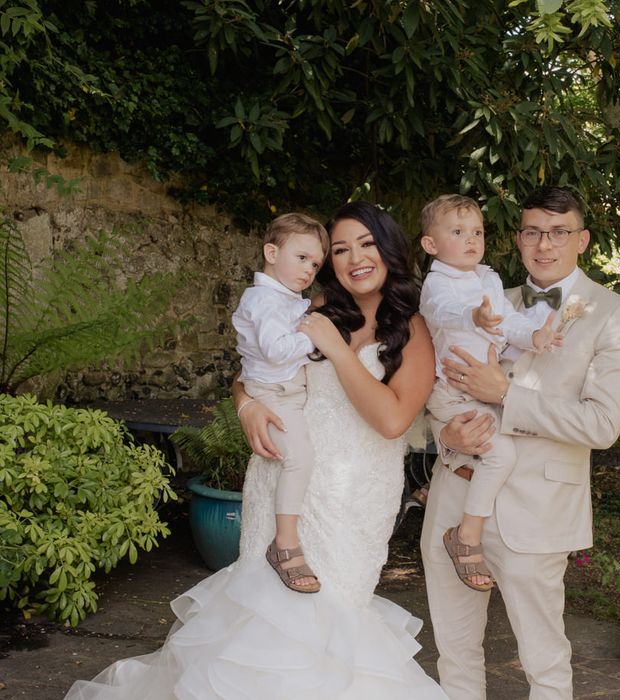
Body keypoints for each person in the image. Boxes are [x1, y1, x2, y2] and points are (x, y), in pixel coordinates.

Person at [65, 201, 447, 700]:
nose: (355, 257)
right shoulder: (311, 309)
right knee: (261, 614)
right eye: (340, 249)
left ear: (389, 248)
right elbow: (254, 371)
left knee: (329, 620)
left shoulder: (412, 328)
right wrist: (244, 405)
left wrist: (335, 349)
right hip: (282, 476)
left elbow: (394, 420)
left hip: (354, 495)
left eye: (367, 243)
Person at [420, 186, 620, 700]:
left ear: (582, 239)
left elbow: (602, 425)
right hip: (456, 494)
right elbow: (435, 377)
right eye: (532, 232)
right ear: (518, 239)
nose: (544, 244)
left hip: (536, 511)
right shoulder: (480, 296)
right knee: (453, 650)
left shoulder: (614, 314)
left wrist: (508, 396)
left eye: (559, 231)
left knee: (542, 656)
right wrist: (443, 432)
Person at [418, 194, 561, 592]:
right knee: (501, 455)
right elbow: (442, 312)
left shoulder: (488, 278)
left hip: (486, 392)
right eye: (458, 232)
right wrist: (473, 316)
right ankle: (465, 536)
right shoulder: (436, 284)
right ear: (431, 244)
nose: (471, 239)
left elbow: (507, 321)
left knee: (504, 451)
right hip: (454, 391)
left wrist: (534, 336)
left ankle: (448, 497)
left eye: (477, 232)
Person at [231, 212, 328, 594]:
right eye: (301, 258)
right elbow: (274, 351)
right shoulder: (264, 300)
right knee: (298, 458)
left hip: (290, 392)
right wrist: (316, 335)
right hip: (274, 394)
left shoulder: (285, 298)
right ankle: (284, 542)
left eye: (315, 264)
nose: (309, 270)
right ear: (271, 252)